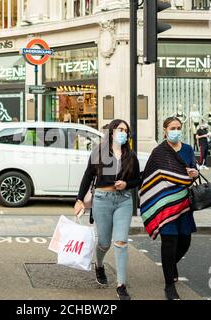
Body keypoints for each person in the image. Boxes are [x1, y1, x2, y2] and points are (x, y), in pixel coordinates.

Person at [74, 119, 141, 300]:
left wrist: (126, 183)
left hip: (124, 201)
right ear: (111, 132)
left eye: (126, 130)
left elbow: (137, 180)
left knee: (121, 242)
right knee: (104, 242)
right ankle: (99, 265)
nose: (123, 133)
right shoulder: (99, 153)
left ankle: (121, 285)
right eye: (120, 129)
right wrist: (79, 200)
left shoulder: (130, 155)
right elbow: (87, 176)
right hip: (102, 200)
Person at [139, 117, 199, 300]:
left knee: (185, 242)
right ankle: (169, 285)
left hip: (183, 205)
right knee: (169, 242)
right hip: (164, 206)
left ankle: (170, 265)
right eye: (172, 128)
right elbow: (149, 178)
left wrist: (194, 174)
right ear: (164, 130)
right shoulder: (158, 152)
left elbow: (194, 171)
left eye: (179, 128)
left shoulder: (188, 149)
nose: (176, 131)